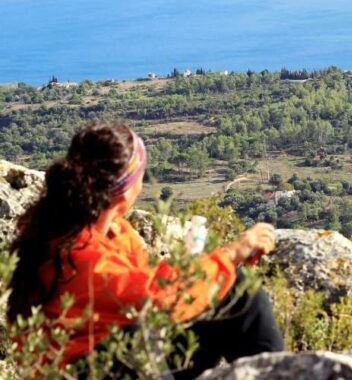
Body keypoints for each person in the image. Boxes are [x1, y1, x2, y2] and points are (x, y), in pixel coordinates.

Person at [6, 122, 284, 378]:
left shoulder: (106, 230)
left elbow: (147, 284)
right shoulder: (78, 254)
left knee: (235, 290)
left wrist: (221, 267)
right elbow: (157, 298)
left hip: (127, 357)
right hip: (89, 370)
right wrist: (231, 253)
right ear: (126, 190)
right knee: (130, 336)